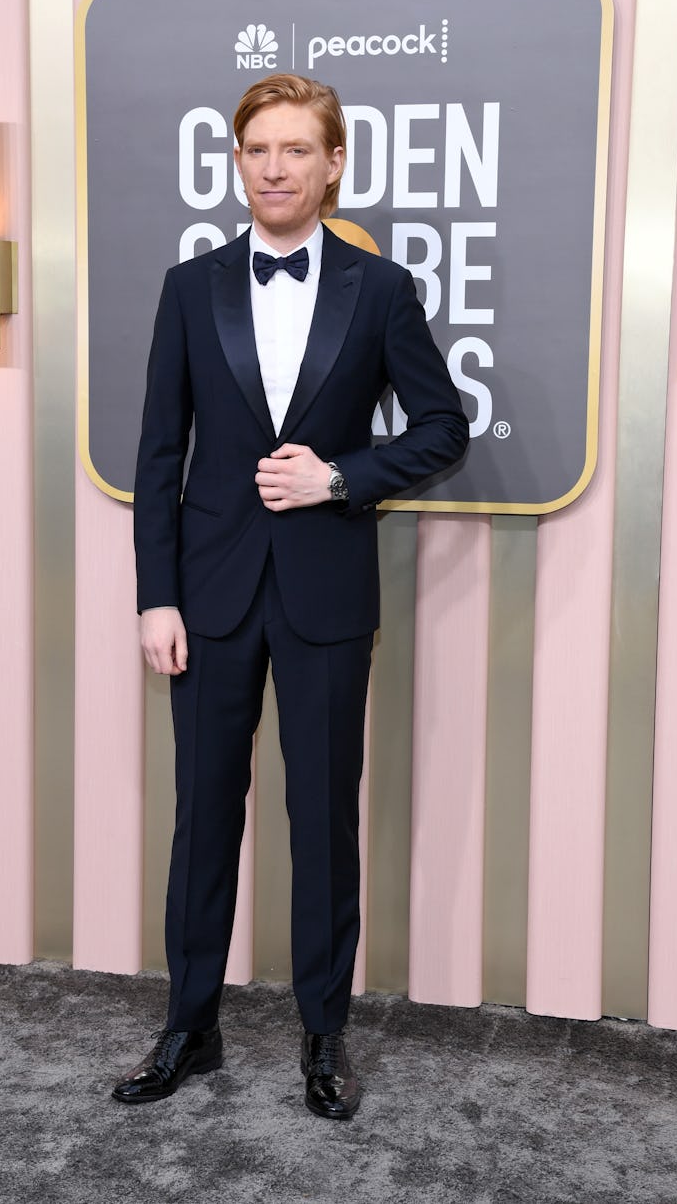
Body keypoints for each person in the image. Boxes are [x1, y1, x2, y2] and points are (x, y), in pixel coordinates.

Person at [112, 73, 469, 1119]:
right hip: (208, 599)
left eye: (295, 151)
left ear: (332, 163)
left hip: (324, 595)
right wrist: (155, 597)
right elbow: (158, 454)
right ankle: (190, 1026)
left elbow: (440, 429)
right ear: (240, 160)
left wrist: (341, 476)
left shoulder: (383, 289)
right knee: (201, 819)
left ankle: (324, 1036)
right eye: (258, 149)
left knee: (322, 822)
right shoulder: (191, 288)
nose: (275, 167)